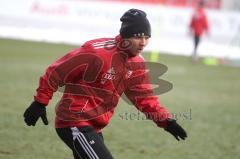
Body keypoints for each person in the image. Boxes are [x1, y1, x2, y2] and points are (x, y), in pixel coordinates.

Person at [23, 9, 187, 159]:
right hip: (74, 121)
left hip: (94, 127)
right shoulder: (97, 51)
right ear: (125, 35)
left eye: (147, 37)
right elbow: (57, 71)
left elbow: (145, 99)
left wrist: (166, 121)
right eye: (138, 37)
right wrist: (40, 102)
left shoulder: (137, 64)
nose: (143, 42)